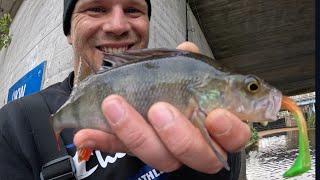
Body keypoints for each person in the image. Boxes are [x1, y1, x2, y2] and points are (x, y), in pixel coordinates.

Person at [0, 0, 251, 179]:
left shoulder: (192, 106)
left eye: (132, 9)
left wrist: (207, 167)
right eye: (96, 8)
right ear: (69, 31)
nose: (118, 25)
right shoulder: (13, 126)